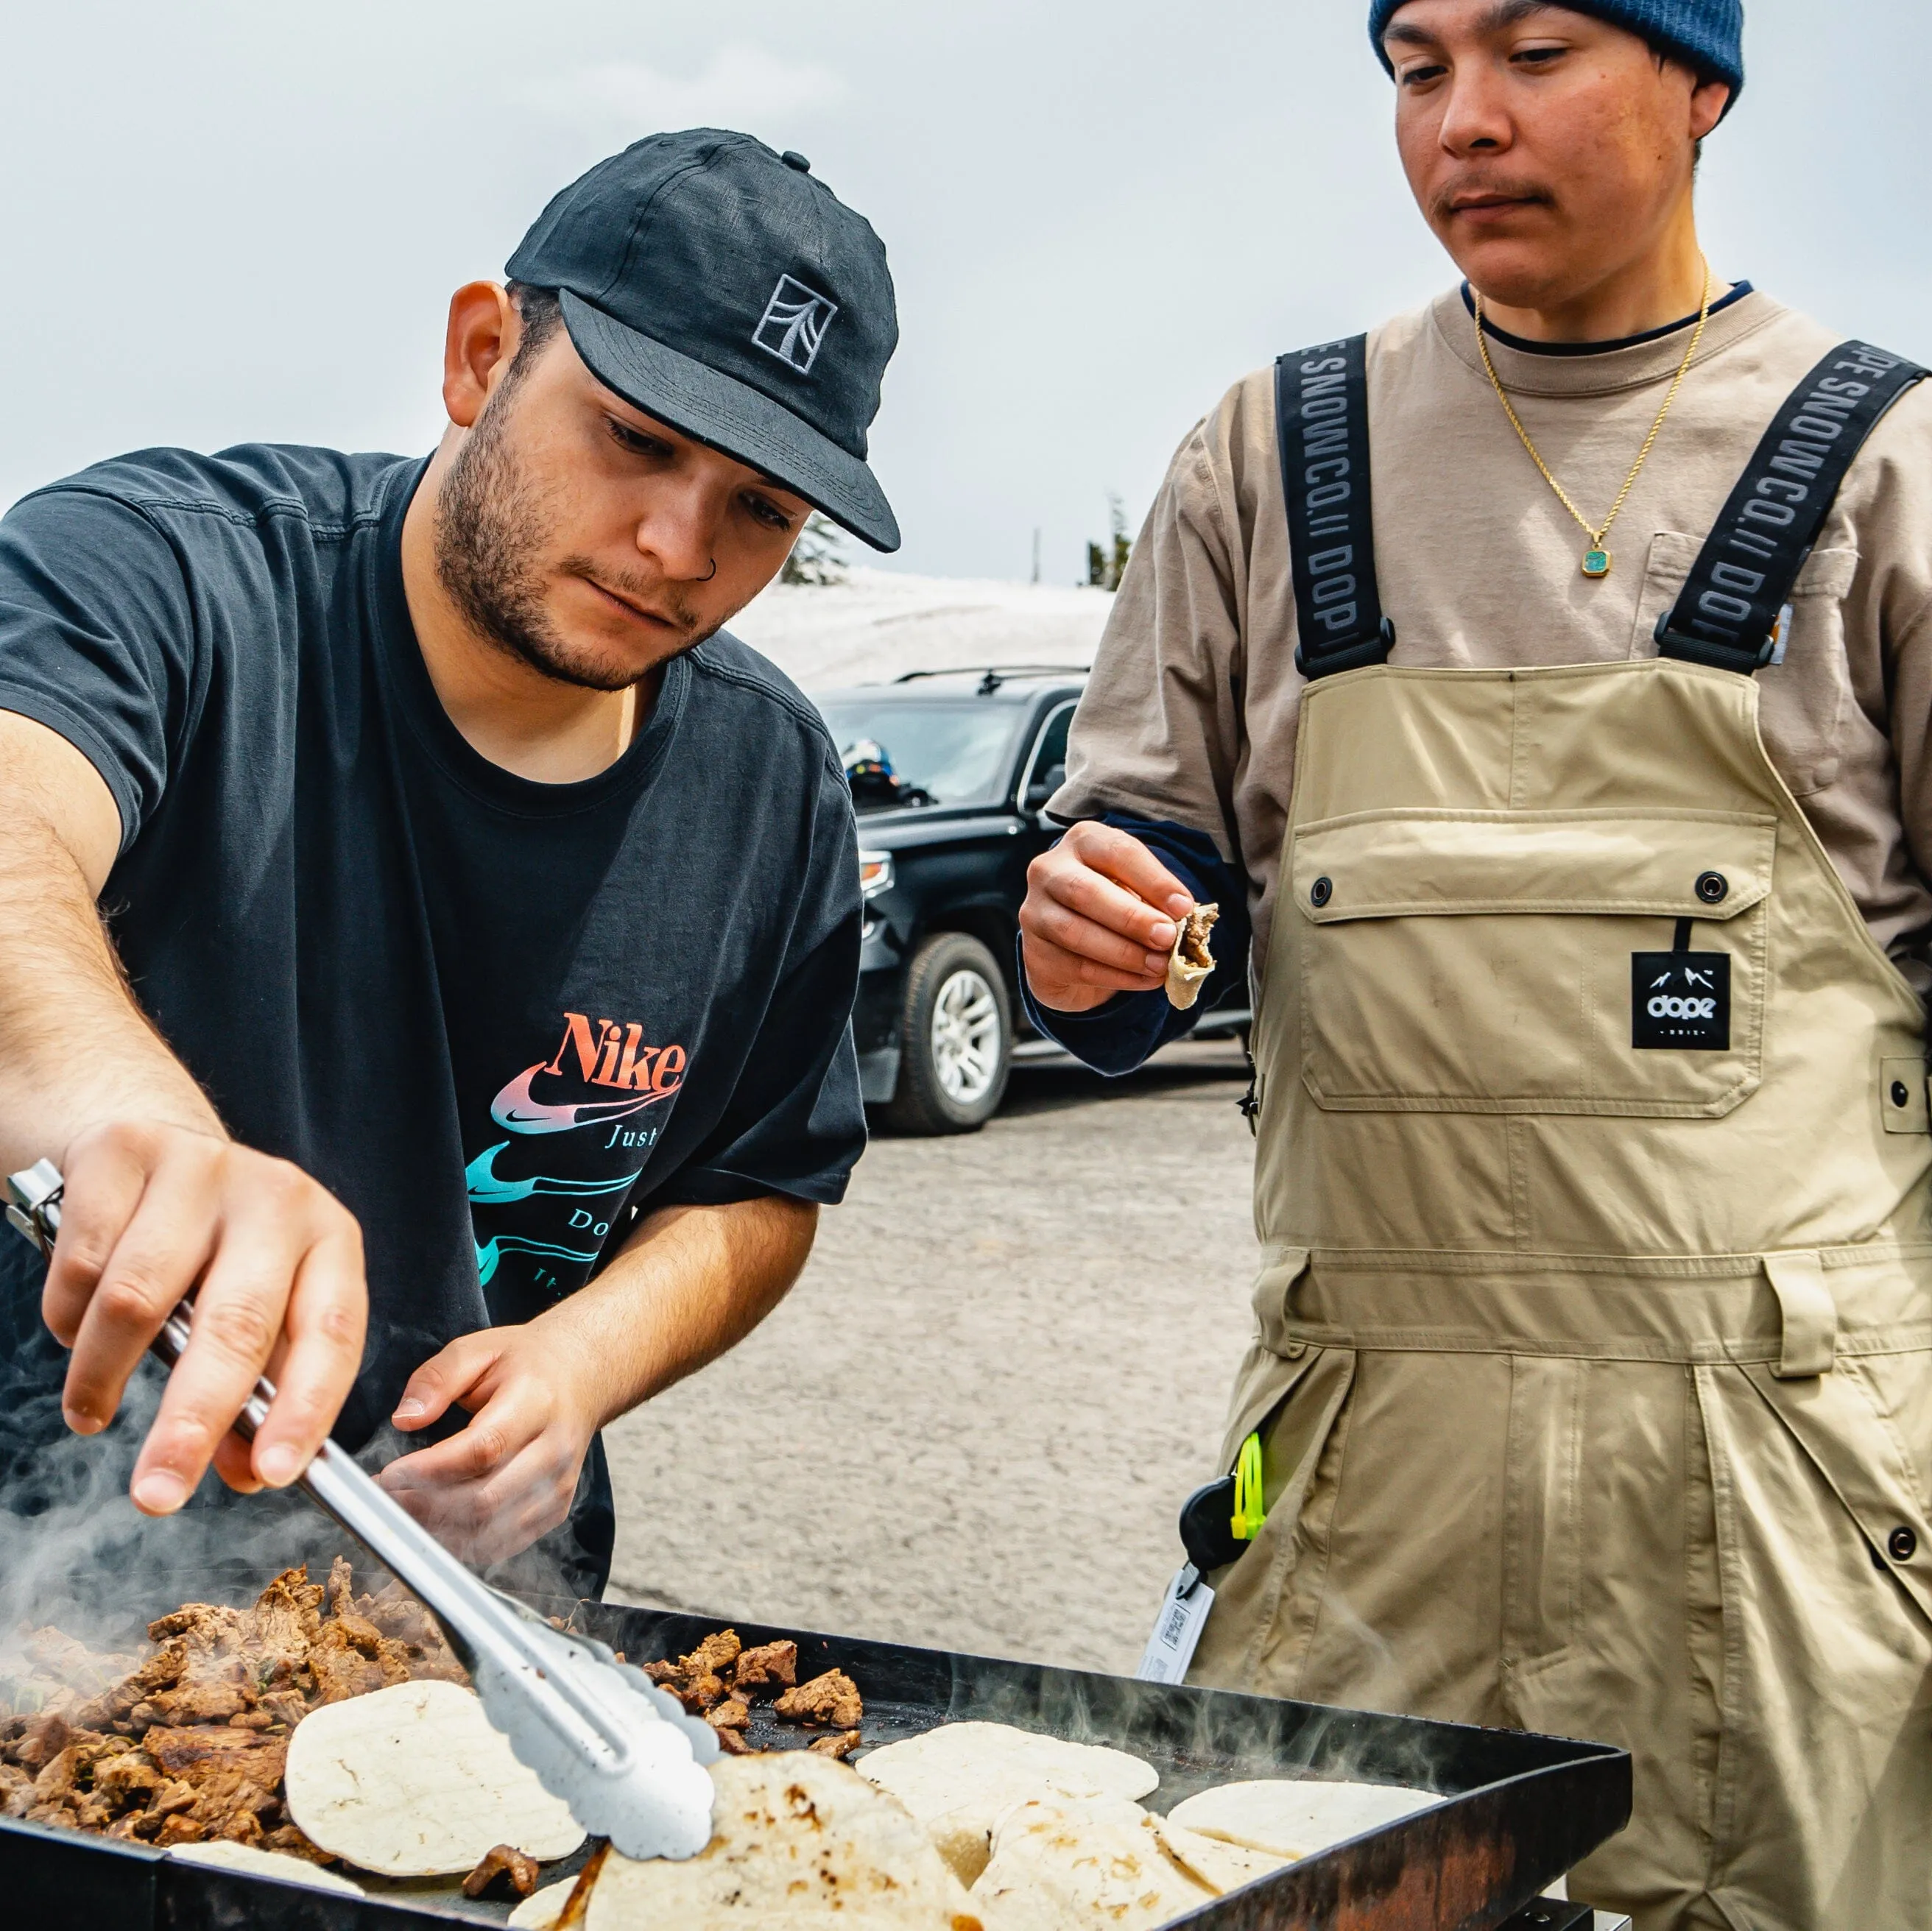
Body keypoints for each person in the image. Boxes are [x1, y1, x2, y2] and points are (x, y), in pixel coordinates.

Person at [1019, 4, 1932, 1926]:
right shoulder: (1267, 461)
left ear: (1706, 83)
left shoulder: (1888, 470)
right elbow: (1129, 921)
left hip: (1789, 1523)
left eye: (1534, 52)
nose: (1464, 122)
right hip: (1361, 1511)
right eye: (1418, 65)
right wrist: (1094, 940)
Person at [0, 128, 899, 1600]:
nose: (678, 545)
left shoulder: (771, 779)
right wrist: (129, 1120)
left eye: (760, 511)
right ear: (482, 355)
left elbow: (760, 1181)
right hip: (44, 1604)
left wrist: (583, 1360)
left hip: (472, 1629)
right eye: (635, 435)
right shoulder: (160, 569)